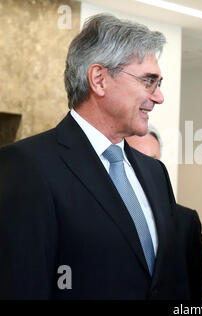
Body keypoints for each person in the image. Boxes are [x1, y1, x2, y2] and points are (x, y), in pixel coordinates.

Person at [0, 14, 192, 299]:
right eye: (149, 81)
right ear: (99, 79)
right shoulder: (26, 166)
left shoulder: (155, 174)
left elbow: (171, 279)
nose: (159, 97)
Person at [126, 125, 202, 300]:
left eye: (153, 160)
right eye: (136, 158)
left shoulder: (186, 222)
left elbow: (196, 289)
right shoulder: (106, 217)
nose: (144, 168)